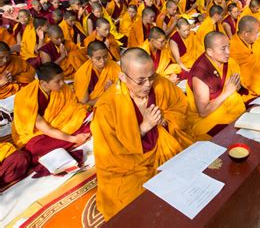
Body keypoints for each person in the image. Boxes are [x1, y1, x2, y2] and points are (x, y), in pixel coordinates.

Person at [92, 48, 193, 220]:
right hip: (130, 166)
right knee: (132, 206)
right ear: (123, 77)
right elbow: (111, 154)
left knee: (194, 170)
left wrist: (164, 120)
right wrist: (144, 127)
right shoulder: (107, 107)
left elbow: (181, 109)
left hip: (166, 147)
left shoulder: (160, 83)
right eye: (141, 80)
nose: (148, 84)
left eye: (151, 77)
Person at [12, 62, 91, 168]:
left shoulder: (61, 88)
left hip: (62, 124)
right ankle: (77, 136)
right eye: (58, 81)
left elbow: (73, 107)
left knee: (89, 117)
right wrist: (73, 139)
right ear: (44, 83)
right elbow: (46, 129)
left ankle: (73, 137)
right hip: (37, 134)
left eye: (63, 79)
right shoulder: (26, 98)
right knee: (35, 149)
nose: (63, 83)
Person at [186, 32, 245, 140]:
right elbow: (203, 112)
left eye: (228, 46)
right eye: (223, 49)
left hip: (227, 107)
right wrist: (227, 92)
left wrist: (235, 87)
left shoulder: (227, 62)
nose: (228, 52)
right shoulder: (201, 74)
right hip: (206, 119)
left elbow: (235, 86)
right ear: (209, 51)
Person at [229, 16, 260, 102]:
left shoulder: (252, 41)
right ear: (246, 34)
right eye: (257, 32)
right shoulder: (234, 49)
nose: (259, 34)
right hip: (252, 93)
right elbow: (246, 79)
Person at [74, 41, 120, 106]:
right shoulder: (83, 73)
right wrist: (106, 93)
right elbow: (84, 102)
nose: (103, 61)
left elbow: (124, 88)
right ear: (89, 57)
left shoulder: (113, 66)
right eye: (98, 58)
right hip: (96, 106)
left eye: (105, 56)